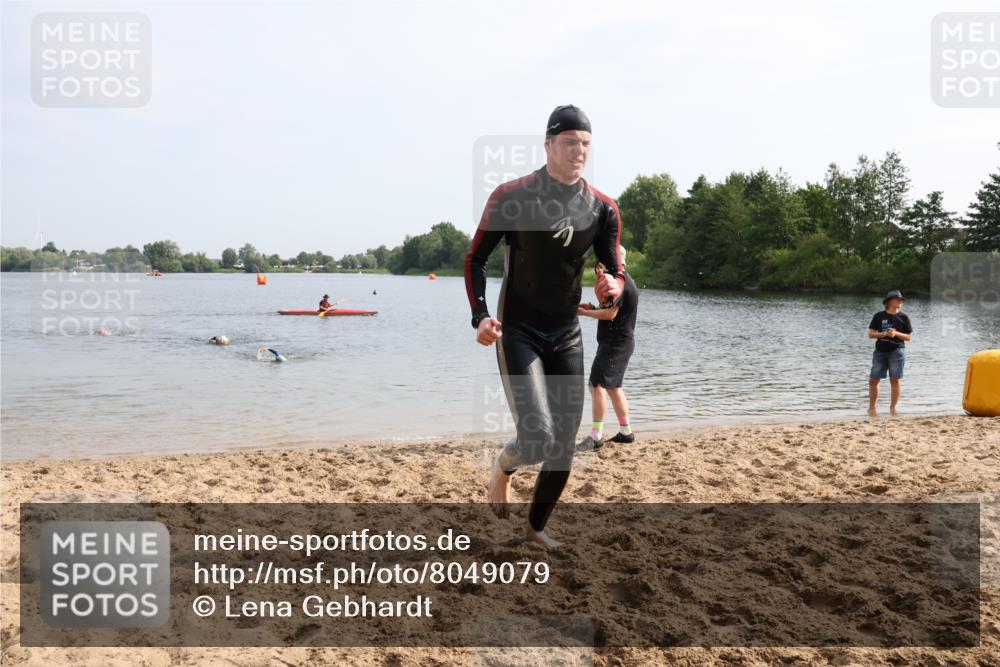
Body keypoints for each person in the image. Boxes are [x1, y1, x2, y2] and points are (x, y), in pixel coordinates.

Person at [465, 104, 624, 548]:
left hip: (566, 334)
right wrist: (480, 315)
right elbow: (475, 258)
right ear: (549, 145)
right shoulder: (513, 196)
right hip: (518, 329)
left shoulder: (603, 208)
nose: (579, 151)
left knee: (563, 444)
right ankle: (503, 465)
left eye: (586, 144)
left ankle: (535, 529)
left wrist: (613, 285)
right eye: (571, 142)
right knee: (536, 436)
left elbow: (614, 273)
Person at [577, 248, 638, 449]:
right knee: (613, 387)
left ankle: (596, 436)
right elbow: (612, 312)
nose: (599, 268)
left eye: (602, 263)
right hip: (620, 343)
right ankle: (626, 432)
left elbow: (610, 315)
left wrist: (586, 314)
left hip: (616, 345)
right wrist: (592, 309)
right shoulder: (622, 281)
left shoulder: (620, 284)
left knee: (596, 386)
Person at [867, 289, 913, 416]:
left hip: (897, 352)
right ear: (889, 301)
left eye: (901, 299)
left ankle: (892, 408)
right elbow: (870, 334)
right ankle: (871, 408)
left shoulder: (904, 317)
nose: (900, 301)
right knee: (873, 380)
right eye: (897, 299)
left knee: (895, 380)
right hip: (880, 351)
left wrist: (896, 333)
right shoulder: (879, 316)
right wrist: (885, 333)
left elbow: (909, 337)